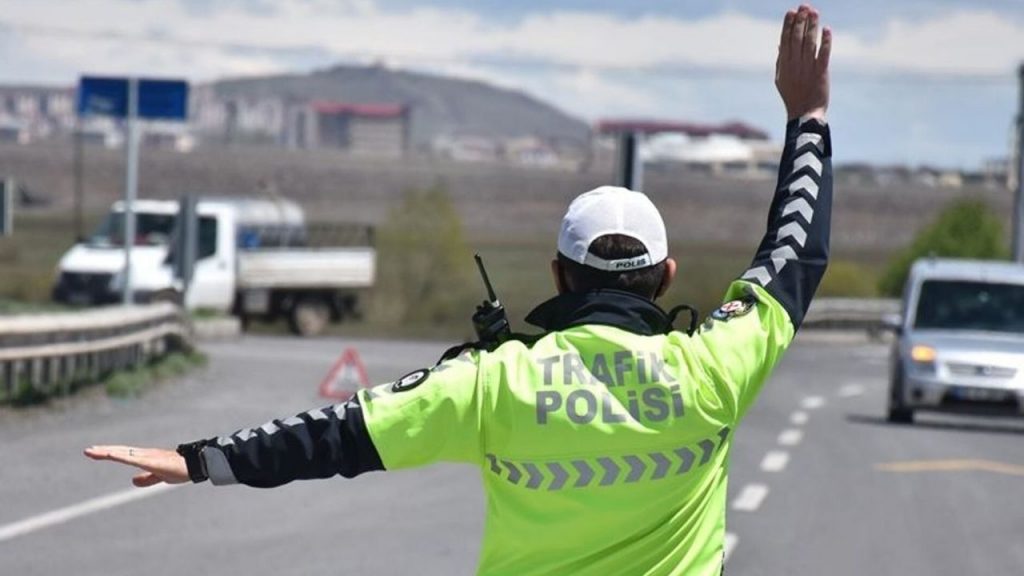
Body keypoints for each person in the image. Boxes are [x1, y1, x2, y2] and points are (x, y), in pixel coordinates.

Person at [85, 5, 832, 575]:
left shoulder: (492, 383)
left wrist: (202, 459)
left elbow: (338, 435)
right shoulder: (715, 369)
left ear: (557, 277)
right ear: (666, 277)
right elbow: (794, 254)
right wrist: (808, 118)